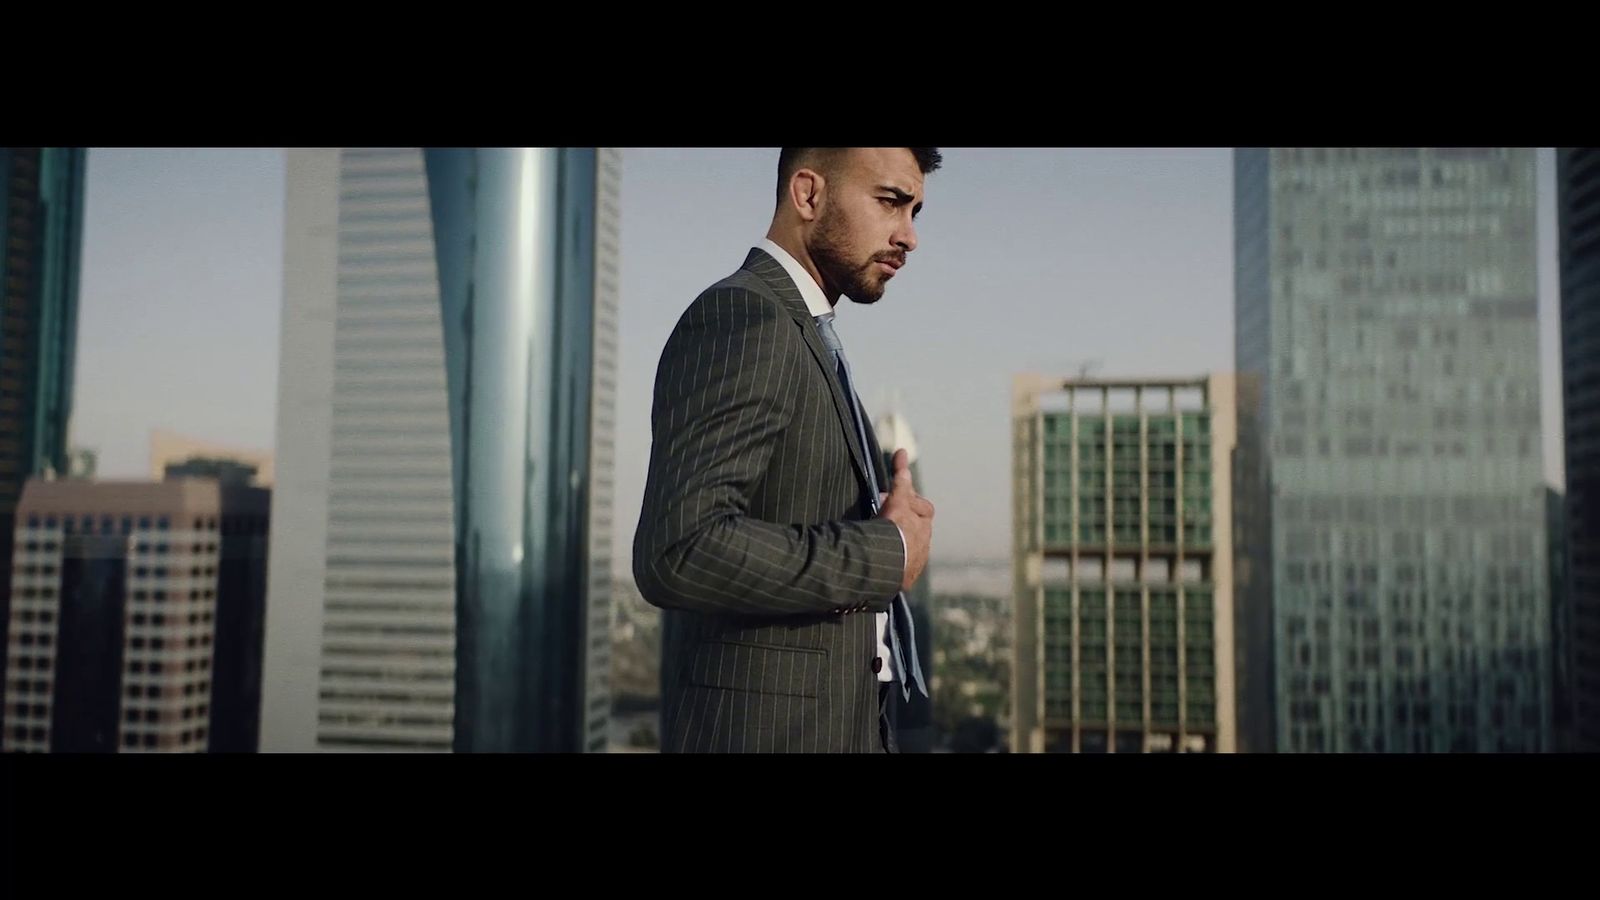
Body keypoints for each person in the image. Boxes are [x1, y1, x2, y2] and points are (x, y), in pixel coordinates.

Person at [633, 147, 942, 752]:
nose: (909, 236)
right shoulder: (745, 316)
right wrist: (887, 550)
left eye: (916, 212)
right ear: (808, 195)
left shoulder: (807, 332)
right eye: (890, 202)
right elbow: (678, 548)